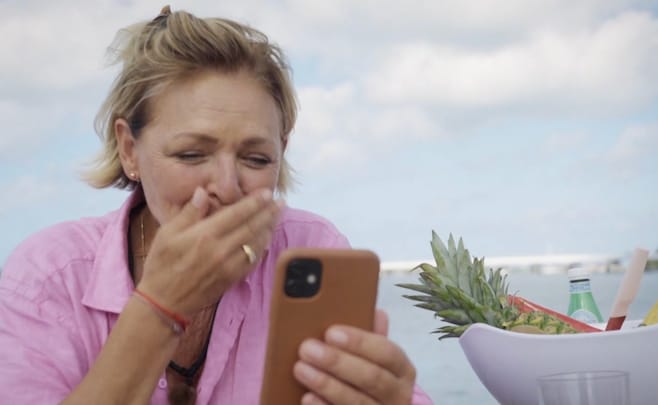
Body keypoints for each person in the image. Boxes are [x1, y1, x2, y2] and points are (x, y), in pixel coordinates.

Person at [0, 6, 433, 405]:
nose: (227, 187)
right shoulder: (49, 278)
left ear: (282, 152)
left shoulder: (311, 247)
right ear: (129, 149)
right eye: (191, 155)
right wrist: (159, 307)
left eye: (256, 159)